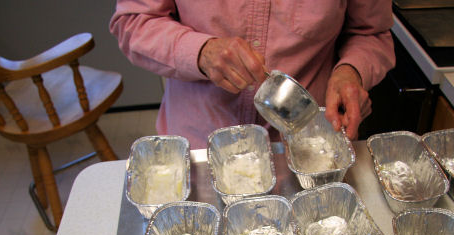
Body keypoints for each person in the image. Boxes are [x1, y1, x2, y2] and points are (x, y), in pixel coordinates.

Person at [109, 0, 395, 149]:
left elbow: (370, 32)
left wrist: (351, 70)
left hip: (308, 144)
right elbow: (133, 22)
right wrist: (201, 51)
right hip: (199, 140)